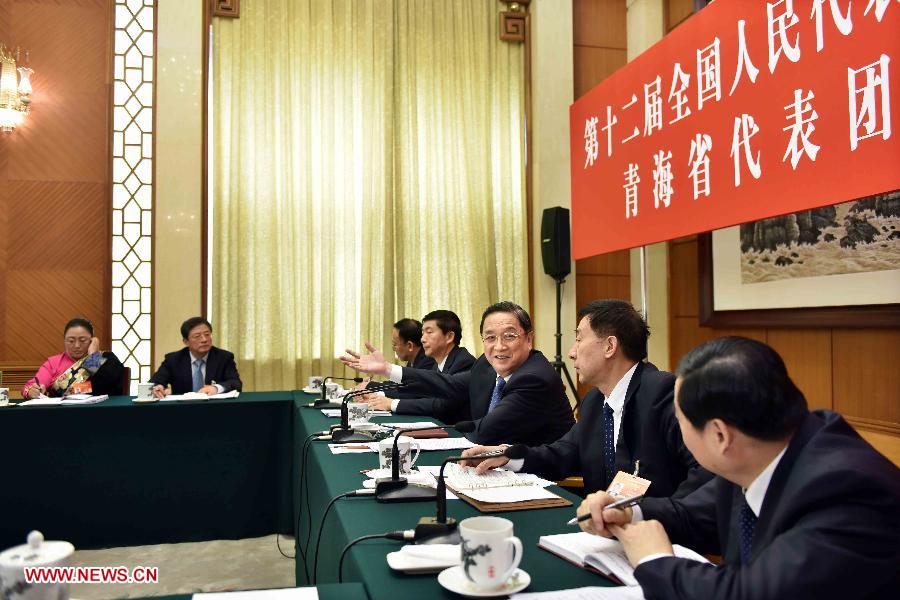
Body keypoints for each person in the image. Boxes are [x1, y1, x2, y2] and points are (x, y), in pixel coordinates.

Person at [576, 337, 900, 599]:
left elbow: (750, 594)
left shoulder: (844, 492)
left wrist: (655, 560)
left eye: (680, 420)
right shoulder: (760, 452)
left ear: (720, 434)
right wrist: (629, 513)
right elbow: (695, 515)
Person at [462, 300, 710, 496]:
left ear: (609, 346)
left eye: (579, 339)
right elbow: (562, 454)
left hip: (658, 536)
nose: (571, 352)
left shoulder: (662, 394)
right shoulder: (594, 401)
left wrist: (648, 515)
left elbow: (706, 473)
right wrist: (509, 456)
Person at [342, 301, 574, 446]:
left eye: (510, 336)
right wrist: (387, 369)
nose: (499, 346)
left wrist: (431, 434)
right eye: (490, 337)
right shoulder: (486, 363)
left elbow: (485, 431)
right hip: (496, 464)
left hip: (543, 480)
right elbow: (449, 384)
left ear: (529, 339)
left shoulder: (534, 378)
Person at [367, 310, 476, 421]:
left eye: (429, 332)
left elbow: (442, 405)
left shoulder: (463, 362)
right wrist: (379, 396)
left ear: (449, 337)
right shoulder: (437, 363)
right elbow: (417, 392)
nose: (422, 339)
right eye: (423, 333)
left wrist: (392, 403)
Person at [22, 318, 125, 398]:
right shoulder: (54, 363)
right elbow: (29, 387)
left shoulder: (107, 360)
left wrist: (93, 356)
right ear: (64, 341)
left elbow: (104, 386)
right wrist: (31, 391)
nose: (76, 345)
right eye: (71, 341)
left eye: (82, 340)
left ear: (92, 340)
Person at [149, 317, 242, 398]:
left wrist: (216, 388)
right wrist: (158, 388)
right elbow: (154, 383)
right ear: (186, 341)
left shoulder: (224, 357)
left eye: (207, 334)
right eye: (197, 336)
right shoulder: (173, 360)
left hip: (214, 409)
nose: (204, 340)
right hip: (182, 410)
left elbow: (236, 383)